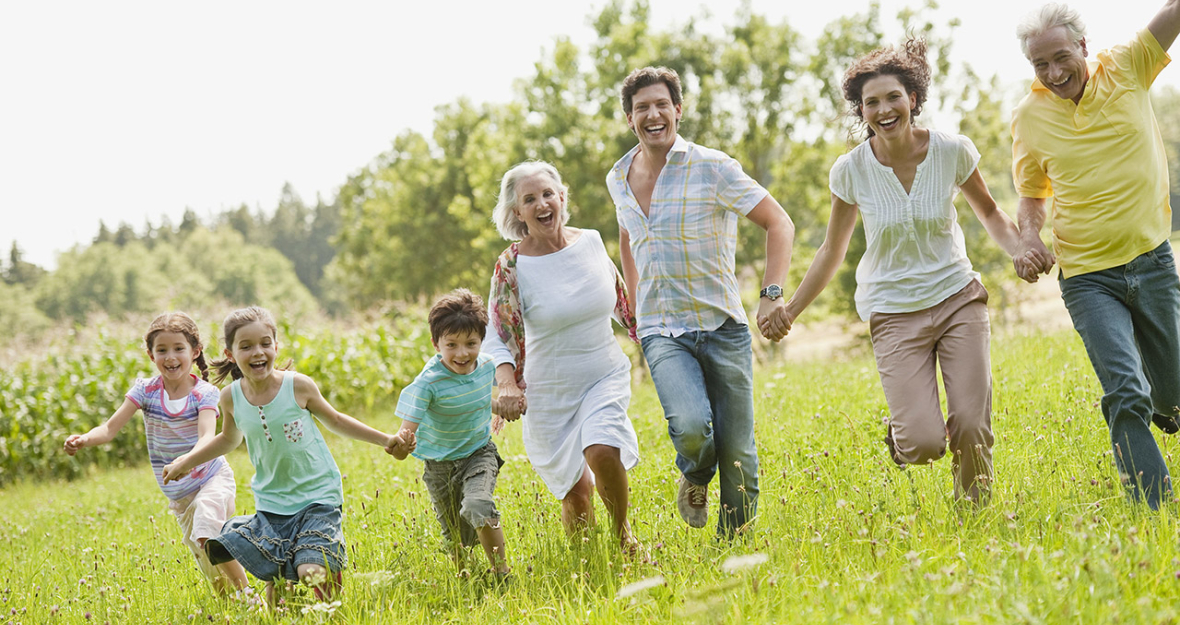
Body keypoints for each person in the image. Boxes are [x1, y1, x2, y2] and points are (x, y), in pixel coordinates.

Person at [771, 40, 1024, 505]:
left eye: (893, 97)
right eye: (872, 102)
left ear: (913, 98)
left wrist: (1020, 249)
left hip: (957, 297)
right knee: (923, 444)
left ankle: (975, 514)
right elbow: (832, 248)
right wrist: (791, 309)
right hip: (892, 311)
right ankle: (904, 430)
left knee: (971, 422)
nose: (884, 109)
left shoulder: (951, 151)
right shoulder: (851, 171)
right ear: (860, 111)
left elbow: (990, 213)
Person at [607, 66, 794, 537]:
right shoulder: (618, 176)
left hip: (722, 324)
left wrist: (771, 294)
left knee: (739, 452)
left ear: (678, 110)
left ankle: (735, 547)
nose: (653, 115)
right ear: (630, 118)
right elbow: (629, 235)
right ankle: (694, 473)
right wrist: (632, 302)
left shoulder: (713, 167)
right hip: (660, 328)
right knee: (691, 426)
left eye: (661, 105)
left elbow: (779, 223)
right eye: (641, 108)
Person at [1011, 1, 1180, 509]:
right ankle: (1153, 508)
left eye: (1062, 57)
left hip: (1152, 261)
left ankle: (1166, 400)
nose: (1055, 72)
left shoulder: (1129, 63)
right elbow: (1031, 194)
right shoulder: (1029, 116)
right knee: (1124, 390)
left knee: (1173, 396)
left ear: (1084, 46)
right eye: (1041, 65)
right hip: (1087, 277)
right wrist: (1029, 238)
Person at [161, 306, 404, 605]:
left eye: (265, 343)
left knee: (311, 571)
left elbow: (337, 420)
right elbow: (227, 439)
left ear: (276, 346)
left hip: (317, 496)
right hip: (272, 503)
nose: (257, 352)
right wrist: (185, 463)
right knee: (277, 598)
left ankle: (332, 600)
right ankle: (295, 575)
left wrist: (387, 440)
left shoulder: (297, 386)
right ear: (230, 353)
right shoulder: (231, 397)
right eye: (246, 346)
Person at [486, 161, 642, 552]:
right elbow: (498, 333)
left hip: (601, 372)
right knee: (575, 494)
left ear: (561, 197)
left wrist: (658, 341)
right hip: (549, 390)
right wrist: (506, 382)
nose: (542, 204)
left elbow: (624, 303)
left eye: (547, 194)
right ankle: (589, 571)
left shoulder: (590, 241)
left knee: (602, 449)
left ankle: (624, 538)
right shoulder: (512, 266)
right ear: (517, 212)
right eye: (529, 199)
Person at [63, 312, 250, 596]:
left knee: (207, 530)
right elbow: (110, 429)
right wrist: (84, 439)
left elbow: (206, 437)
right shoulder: (146, 391)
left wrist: (186, 462)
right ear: (151, 355)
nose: (170, 356)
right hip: (179, 494)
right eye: (162, 350)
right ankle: (229, 608)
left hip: (212, 479)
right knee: (206, 559)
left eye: (178, 348)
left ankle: (249, 597)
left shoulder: (204, 394)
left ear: (195, 351)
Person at [387, 288, 511, 578]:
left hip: (478, 452)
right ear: (436, 344)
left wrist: (502, 405)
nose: (462, 353)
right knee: (457, 536)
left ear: (482, 340)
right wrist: (403, 445)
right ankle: (465, 578)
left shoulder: (488, 366)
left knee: (478, 505)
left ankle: (501, 573)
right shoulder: (427, 383)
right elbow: (403, 441)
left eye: (471, 343)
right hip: (439, 465)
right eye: (451, 344)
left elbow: (481, 393)